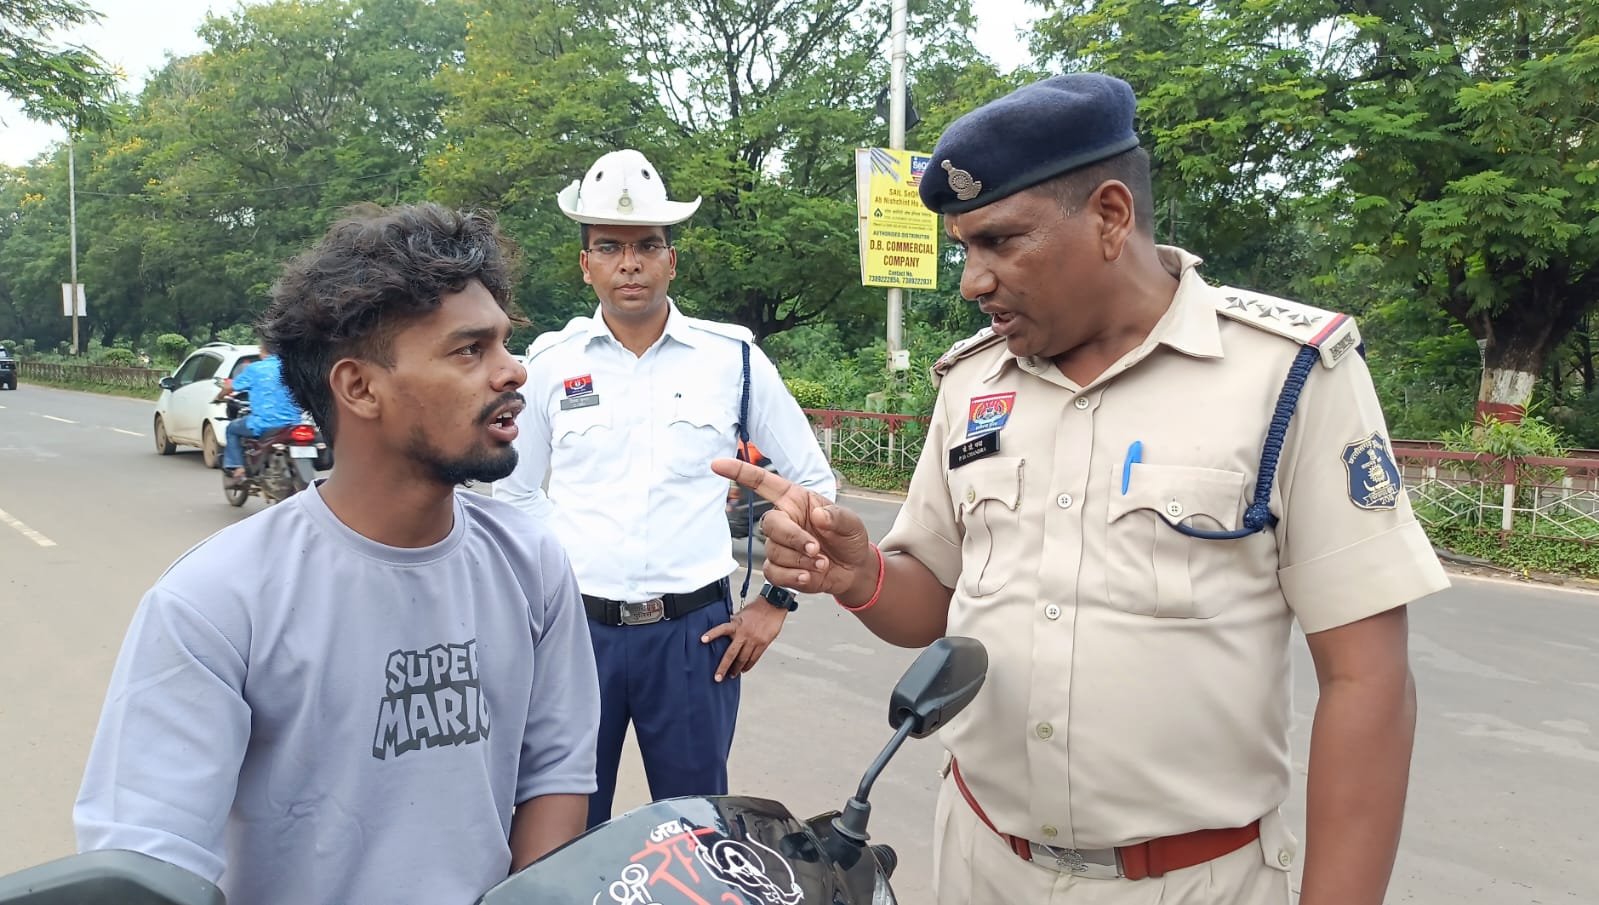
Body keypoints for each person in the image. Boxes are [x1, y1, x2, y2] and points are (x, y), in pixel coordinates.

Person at [715, 73, 1450, 905]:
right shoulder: (971, 383)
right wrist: (857, 574)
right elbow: (933, 604)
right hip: (981, 863)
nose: (971, 281)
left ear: (1109, 215)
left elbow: (1367, 679)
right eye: (963, 248)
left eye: (999, 242)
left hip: (1192, 883)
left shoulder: (1285, 376)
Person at [75, 203, 601, 905]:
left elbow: (555, 775)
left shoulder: (529, 560)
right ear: (358, 387)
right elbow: (149, 856)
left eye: (505, 344)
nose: (513, 373)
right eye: (469, 350)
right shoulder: (214, 601)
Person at [496, 149, 836, 829]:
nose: (629, 262)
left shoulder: (732, 357)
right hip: (575, 635)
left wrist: (776, 599)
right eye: (610, 247)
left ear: (670, 261)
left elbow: (813, 482)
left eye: (647, 245)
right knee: (560, 826)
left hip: (694, 637)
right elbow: (512, 495)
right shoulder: (549, 365)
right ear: (585, 263)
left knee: (697, 830)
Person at [216, 342, 305, 483]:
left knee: (232, 428)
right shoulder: (294, 368)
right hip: (294, 424)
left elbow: (231, 387)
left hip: (264, 423)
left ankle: (238, 468)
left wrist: (219, 397)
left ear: (263, 351)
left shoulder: (255, 369)